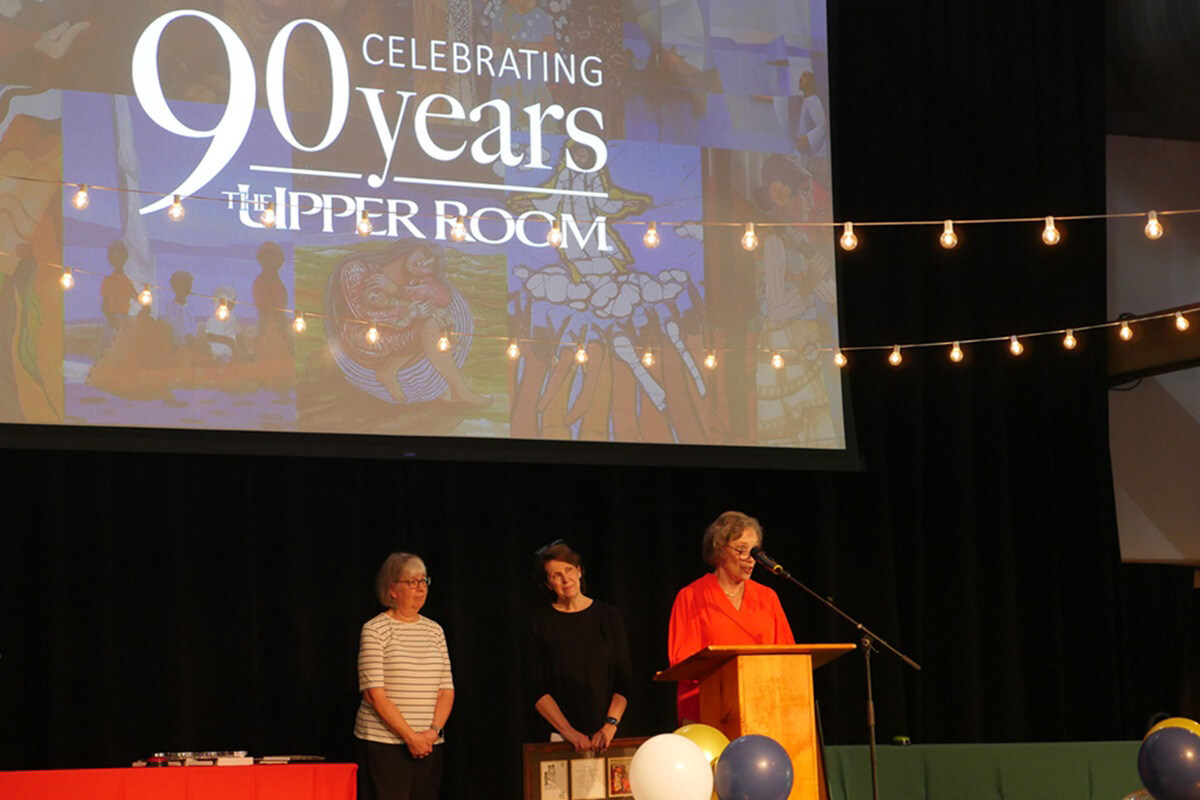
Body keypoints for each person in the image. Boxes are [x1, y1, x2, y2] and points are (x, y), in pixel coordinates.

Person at [667, 511, 794, 723]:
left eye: (755, 551)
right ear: (719, 549)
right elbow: (682, 662)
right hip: (707, 711)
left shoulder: (767, 597)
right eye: (742, 550)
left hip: (762, 709)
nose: (751, 559)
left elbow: (787, 657)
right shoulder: (690, 597)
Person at [355, 553, 455, 800]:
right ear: (392, 590)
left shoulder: (435, 630)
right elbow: (374, 694)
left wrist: (431, 733)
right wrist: (411, 737)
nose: (421, 588)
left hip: (430, 744)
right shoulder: (375, 629)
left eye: (424, 581)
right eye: (412, 582)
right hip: (385, 744)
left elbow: (446, 690)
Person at [527, 540, 632, 753]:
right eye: (556, 575)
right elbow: (536, 689)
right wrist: (569, 732)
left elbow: (624, 680)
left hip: (607, 736)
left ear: (579, 571)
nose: (566, 579)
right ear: (548, 584)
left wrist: (609, 726)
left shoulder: (609, 617)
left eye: (569, 570)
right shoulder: (539, 622)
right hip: (559, 737)